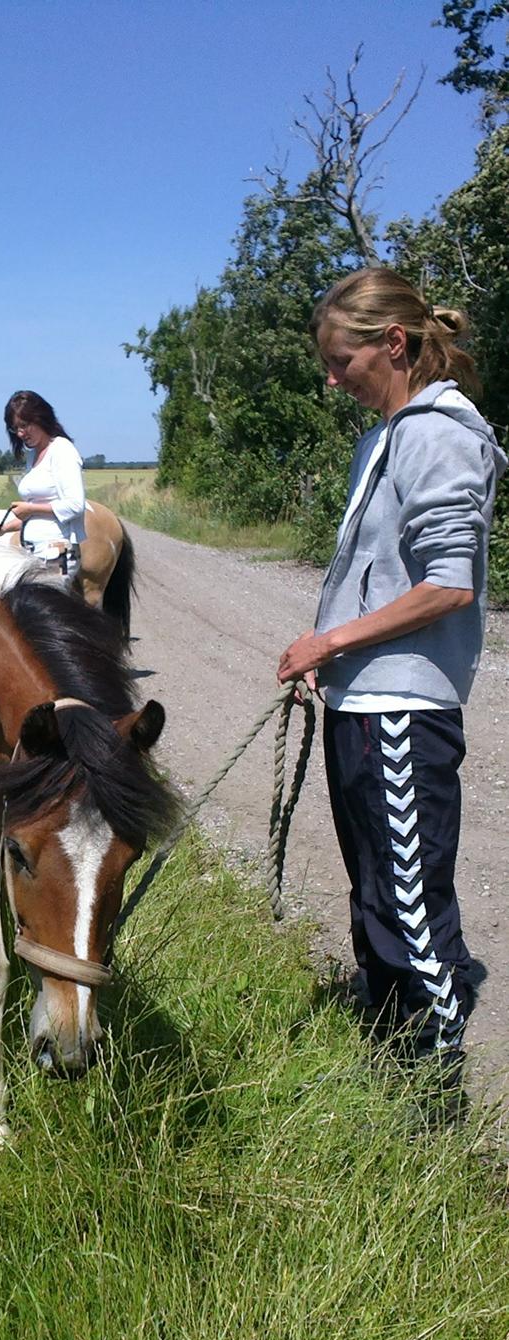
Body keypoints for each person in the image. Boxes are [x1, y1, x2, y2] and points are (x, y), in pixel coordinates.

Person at [277, 266, 506, 1075]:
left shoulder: (439, 433)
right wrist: (332, 648)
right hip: (365, 700)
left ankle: (431, 1091)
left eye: (341, 361)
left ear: (394, 344)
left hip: (401, 708)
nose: (331, 378)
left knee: (409, 905)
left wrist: (329, 642)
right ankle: (382, 1051)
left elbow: (449, 585)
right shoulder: (386, 435)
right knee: (375, 891)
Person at [0, 390, 87, 578]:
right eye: (15, 428)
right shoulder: (33, 455)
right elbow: (37, 514)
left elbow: (75, 505)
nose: (20, 433)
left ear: (40, 418)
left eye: (24, 425)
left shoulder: (62, 450)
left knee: (49, 597)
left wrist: (30, 508)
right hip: (34, 552)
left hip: (59, 550)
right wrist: (6, 528)